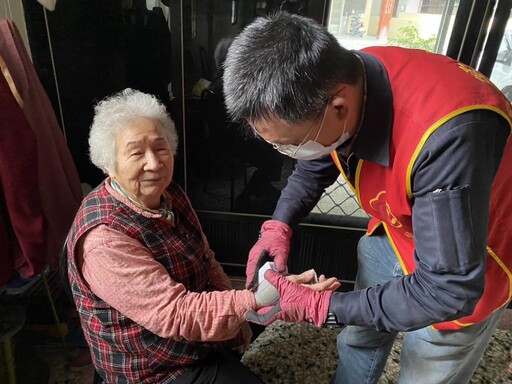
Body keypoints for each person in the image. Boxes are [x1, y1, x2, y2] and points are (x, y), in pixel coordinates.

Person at [222, 11, 512, 384]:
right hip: (392, 232)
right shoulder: (348, 75)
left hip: (468, 255)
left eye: (290, 143)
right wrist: (279, 223)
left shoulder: (451, 133)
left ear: (339, 106)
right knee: (359, 335)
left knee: (428, 362)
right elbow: (318, 157)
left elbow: (448, 289)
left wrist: (325, 306)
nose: (288, 153)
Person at [65, 88, 339, 383]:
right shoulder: (104, 240)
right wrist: (260, 299)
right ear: (109, 165)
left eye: (160, 148)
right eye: (136, 152)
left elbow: (206, 259)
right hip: (153, 368)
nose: (154, 164)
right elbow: (175, 314)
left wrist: (241, 319)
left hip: (192, 334)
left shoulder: (169, 193)